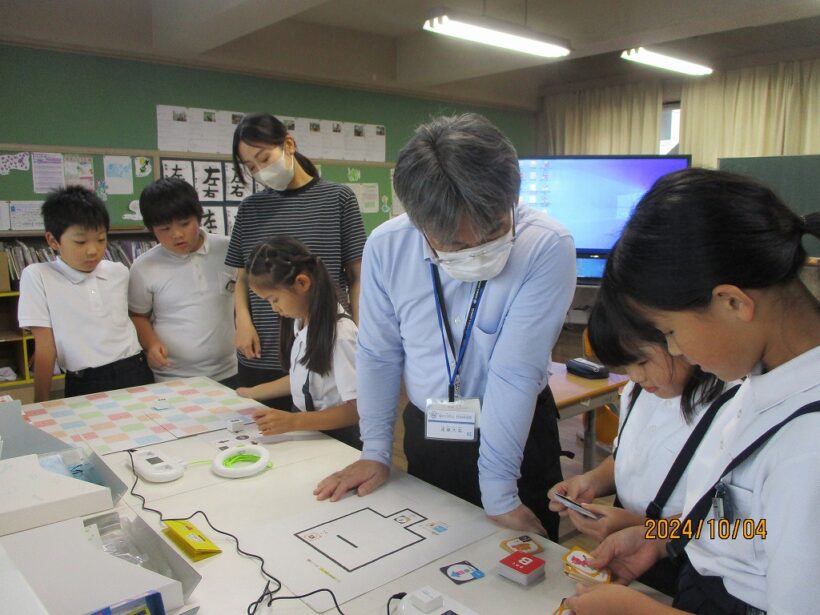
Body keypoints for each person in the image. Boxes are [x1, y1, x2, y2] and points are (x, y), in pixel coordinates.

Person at [564, 169, 820, 615]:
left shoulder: (808, 446)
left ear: (733, 303)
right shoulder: (759, 384)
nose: (676, 350)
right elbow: (751, 527)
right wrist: (659, 539)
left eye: (670, 332)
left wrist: (636, 611)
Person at [315, 113, 576, 539]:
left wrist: (501, 495)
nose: (478, 249)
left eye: (493, 230)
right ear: (418, 221)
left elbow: (515, 372)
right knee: (436, 552)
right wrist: (376, 450)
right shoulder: (387, 245)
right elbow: (379, 353)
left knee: (522, 570)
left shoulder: (546, 245)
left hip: (519, 428)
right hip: (431, 426)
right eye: (454, 242)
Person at [548, 283, 733, 595]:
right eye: (626, 367)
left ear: (678, 337)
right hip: (627, 553)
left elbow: (730, 525)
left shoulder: (730, 410)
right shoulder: (640, 389)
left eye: (642, 362)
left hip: (686, 567)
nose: (635, 376)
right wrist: (591, 481)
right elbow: (626, 457)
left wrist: (641, 527)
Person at [227, 112, 367, 404]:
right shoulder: (250, 209)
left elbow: (358, 275)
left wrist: (359, 333)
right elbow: (242, 277)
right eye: (250, 166)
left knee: (327, 436)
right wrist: (243, 321)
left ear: (288, 144)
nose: (259, 170)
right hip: (262, 348)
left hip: (323, 345)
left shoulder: (338, 198)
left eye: (264, 159)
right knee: (262, 435)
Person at [18, 186, 153, 401]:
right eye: (80, 242)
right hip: (85, 380)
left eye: (101, 239)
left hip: (134, 369)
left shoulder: (118, 271)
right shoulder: (38, 276)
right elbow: (45, 347)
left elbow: (137, 317)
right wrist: (40, 402)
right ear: (53, 241)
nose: (93, 250)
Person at [235, 237, 360, 448]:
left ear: (302, 283)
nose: (274, 308)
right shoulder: (301, 323)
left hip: (339, 438)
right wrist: (252, 392)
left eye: (274, 299)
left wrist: (293, 421)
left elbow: (357, 410)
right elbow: (304, 377)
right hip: (310, 430)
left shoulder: (341, 335)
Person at [128, 178, 237, 384]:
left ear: (199, 216)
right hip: (171, 376)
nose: (177, 235)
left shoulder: (228, 250)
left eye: (185, 224)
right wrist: (151, 344)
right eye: (164, 229)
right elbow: (138, 315)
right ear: (152, 230)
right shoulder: (144, 266)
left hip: (230, 371)